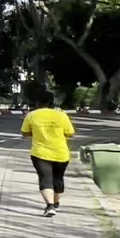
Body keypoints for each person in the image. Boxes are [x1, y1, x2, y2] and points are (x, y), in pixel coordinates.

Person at [21, 88, 76, 216]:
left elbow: (24, 133)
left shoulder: (32, 115)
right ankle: (55, 204)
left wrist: (36, 132)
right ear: (52, 102)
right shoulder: (61, 115)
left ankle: (50, 205)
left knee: (45, 178)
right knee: (58, 179)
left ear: (37, 103)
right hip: (61, 153)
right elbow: (70, 133)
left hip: (40, 153)